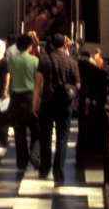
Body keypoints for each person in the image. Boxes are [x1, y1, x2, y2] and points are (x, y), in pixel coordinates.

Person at [33, 32, 81, 183]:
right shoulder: (72, 62)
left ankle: (44, 169)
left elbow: (38, 83)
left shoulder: (44, 59)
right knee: (62, 138)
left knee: (45, 137)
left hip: (47, 102)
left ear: (52, 44)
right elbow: (78, 85)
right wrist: (70, 89)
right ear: (64, 44)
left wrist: (35, 103)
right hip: (64, 104)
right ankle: (59, 173)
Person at [6, 32, 41, 173]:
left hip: (16, 98)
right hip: (31, 97)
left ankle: (21, 161)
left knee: (19, 131)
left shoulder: (12, 61)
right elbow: (39, 82)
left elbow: (10, 75)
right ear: (30, 45)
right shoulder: (35, 61)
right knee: (35, 130)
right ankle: (35, 155)